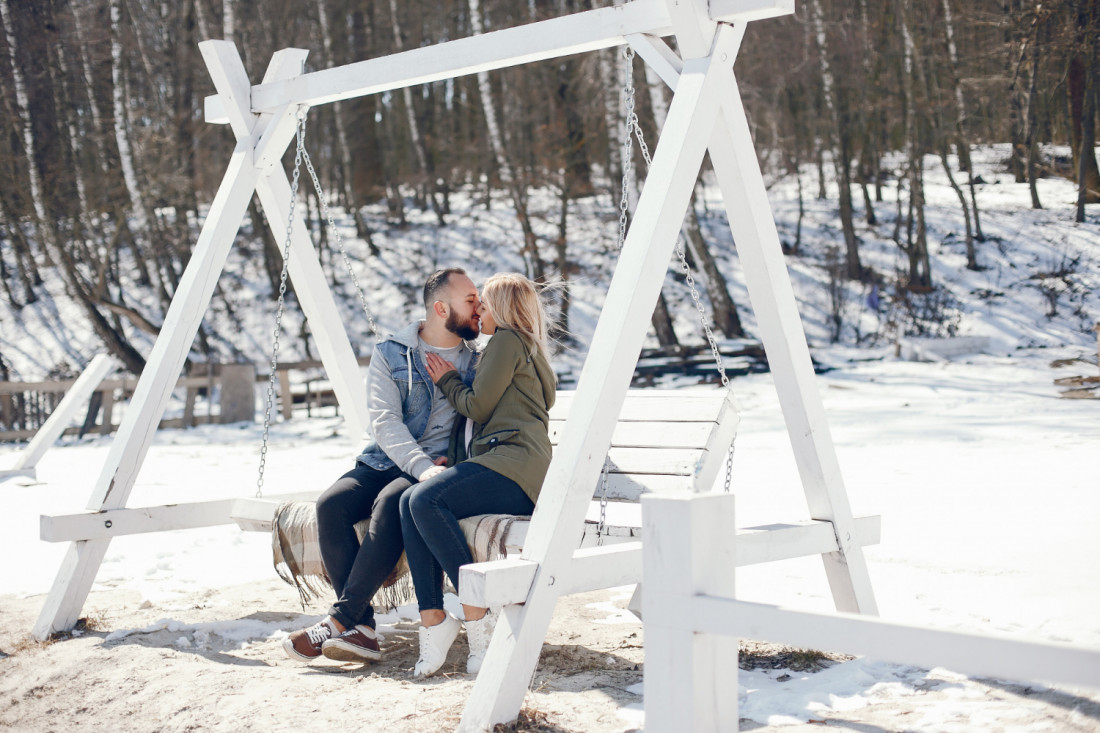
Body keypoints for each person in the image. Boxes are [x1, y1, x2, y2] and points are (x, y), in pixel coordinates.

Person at [283, 268, 481, 663]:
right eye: (471, 300)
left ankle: (341, 622)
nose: (480, 308)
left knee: (391, 503)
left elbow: (480, 418)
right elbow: (385, 421)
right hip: (389, 458)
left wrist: (440, 466)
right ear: (441, 308)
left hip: (434, 471)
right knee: (331, 505)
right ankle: (364, 627)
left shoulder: (478, 362)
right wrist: (420, 463)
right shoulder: (392, 352)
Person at [400, 272, 557, 678]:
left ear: (501, 309)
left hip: (514, 466)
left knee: (424, 499)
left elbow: (478, 406)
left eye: (483, 303)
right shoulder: (524, 345)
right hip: (512, 466)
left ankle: (477, 613)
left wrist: (446, 378)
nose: (479, 311)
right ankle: (434, 618)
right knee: (410, 500)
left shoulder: (505, 341)